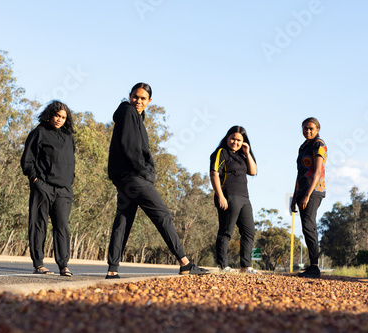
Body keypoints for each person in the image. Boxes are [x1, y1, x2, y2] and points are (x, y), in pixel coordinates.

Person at [106, 82, 210, 279]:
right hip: (134, 177)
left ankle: (112, 269)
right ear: (129, 96)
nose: (138, 101)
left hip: (125, 177)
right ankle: (184, 262)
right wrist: (146, 173)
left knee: (123, 221)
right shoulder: (128, 112)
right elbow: (130, 149)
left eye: (143, 98)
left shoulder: (134, 116)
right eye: (135, 97)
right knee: (162, 215)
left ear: (149, 101)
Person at [20, 100, 75, 277]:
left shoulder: (68, 137)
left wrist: (69, 181)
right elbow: (27, 161)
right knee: (38, 225)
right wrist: (36, 180)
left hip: (64, 190)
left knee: (62, 227)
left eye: (63, 117)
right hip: (43, 187)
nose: (60, 119)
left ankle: (63, 265)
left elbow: (71, 162)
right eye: (57, 116)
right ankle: (39, 264)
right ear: (50, 115)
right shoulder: (39, 132)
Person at [210, 126, 259, 274]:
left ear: (243, 142)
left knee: (249, 231)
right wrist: (220, 196)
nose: (235, 142)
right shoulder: (221, 152)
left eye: (239, 140)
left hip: (244, 198)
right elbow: (214, 174)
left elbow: (253, 171)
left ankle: (246, 266)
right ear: (227, 137)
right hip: (228, 196)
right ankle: (224, 265)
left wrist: (247, 152)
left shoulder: (243, 156)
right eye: (233, 138)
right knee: (226, 232)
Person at [291, 117, 327, 278]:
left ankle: (314, 267)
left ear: (317, 129)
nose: (308, 131)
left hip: (314, 191)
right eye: (305, 128)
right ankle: (312, 266)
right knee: (306, 227)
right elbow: (300, 174)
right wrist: (294, 197)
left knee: (309, 226)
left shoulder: (319, 144)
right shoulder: (303, 147)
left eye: (311, 128)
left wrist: (307, 195)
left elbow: (317, 172)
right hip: (302, 191)